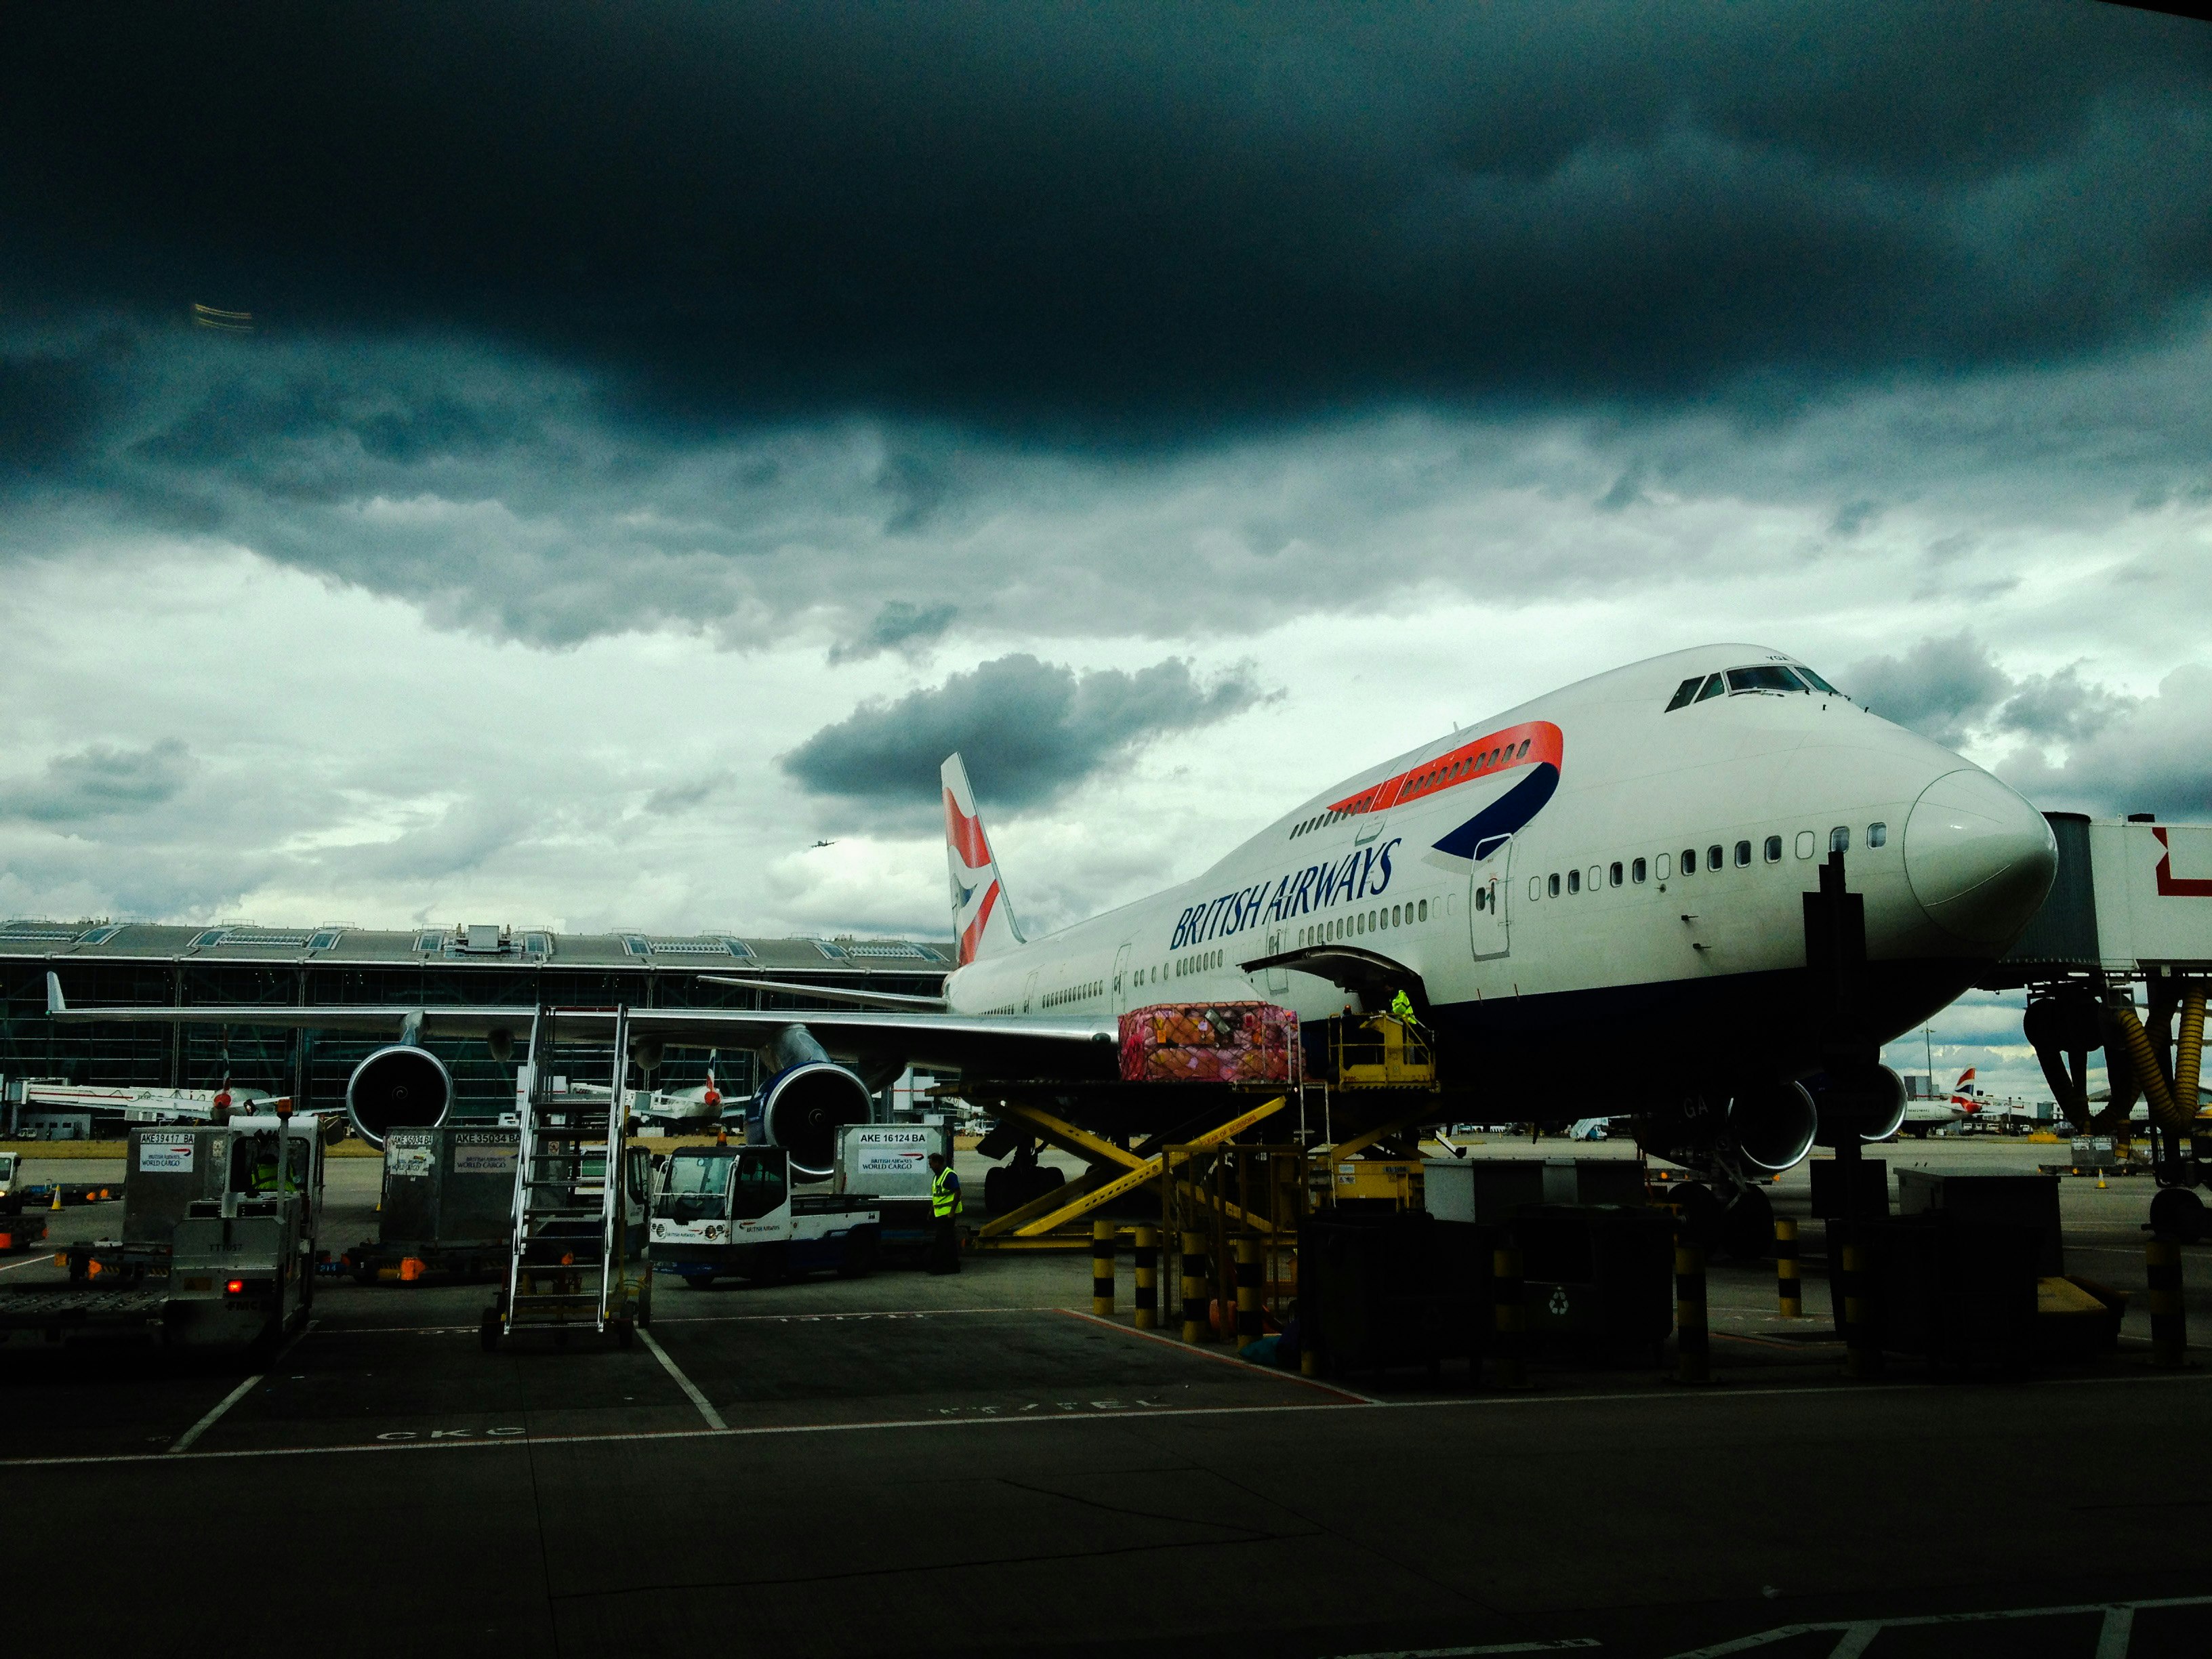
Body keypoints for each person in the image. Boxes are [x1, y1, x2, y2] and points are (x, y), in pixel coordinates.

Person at [927, 1151, 964, 1275]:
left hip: (948, 1214)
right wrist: (932, 1209)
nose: (930, 1166)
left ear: (938, 1163)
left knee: (943, 1242)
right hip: (940, 1213)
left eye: (931, 1164)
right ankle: (953, 1267)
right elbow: (937, 1195)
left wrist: (952, 1212)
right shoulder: (937, 1176)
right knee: (948, 1241)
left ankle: (943, 1267)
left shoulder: (949, 1175)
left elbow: (958, 1192)